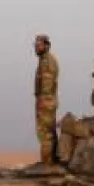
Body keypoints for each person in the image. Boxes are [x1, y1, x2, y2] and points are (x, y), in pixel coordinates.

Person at [34, 34, 60, 163]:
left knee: (45, 133)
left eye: (39, 45)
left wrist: (42, 100)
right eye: (35, 45)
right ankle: (50, 161)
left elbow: (47, 85)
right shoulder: (44, 60)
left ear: (47, 45)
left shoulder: (47, 61)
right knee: (48, 131)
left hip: (46, 100)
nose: (36, 47)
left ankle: (47, 163)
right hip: (46, 100)